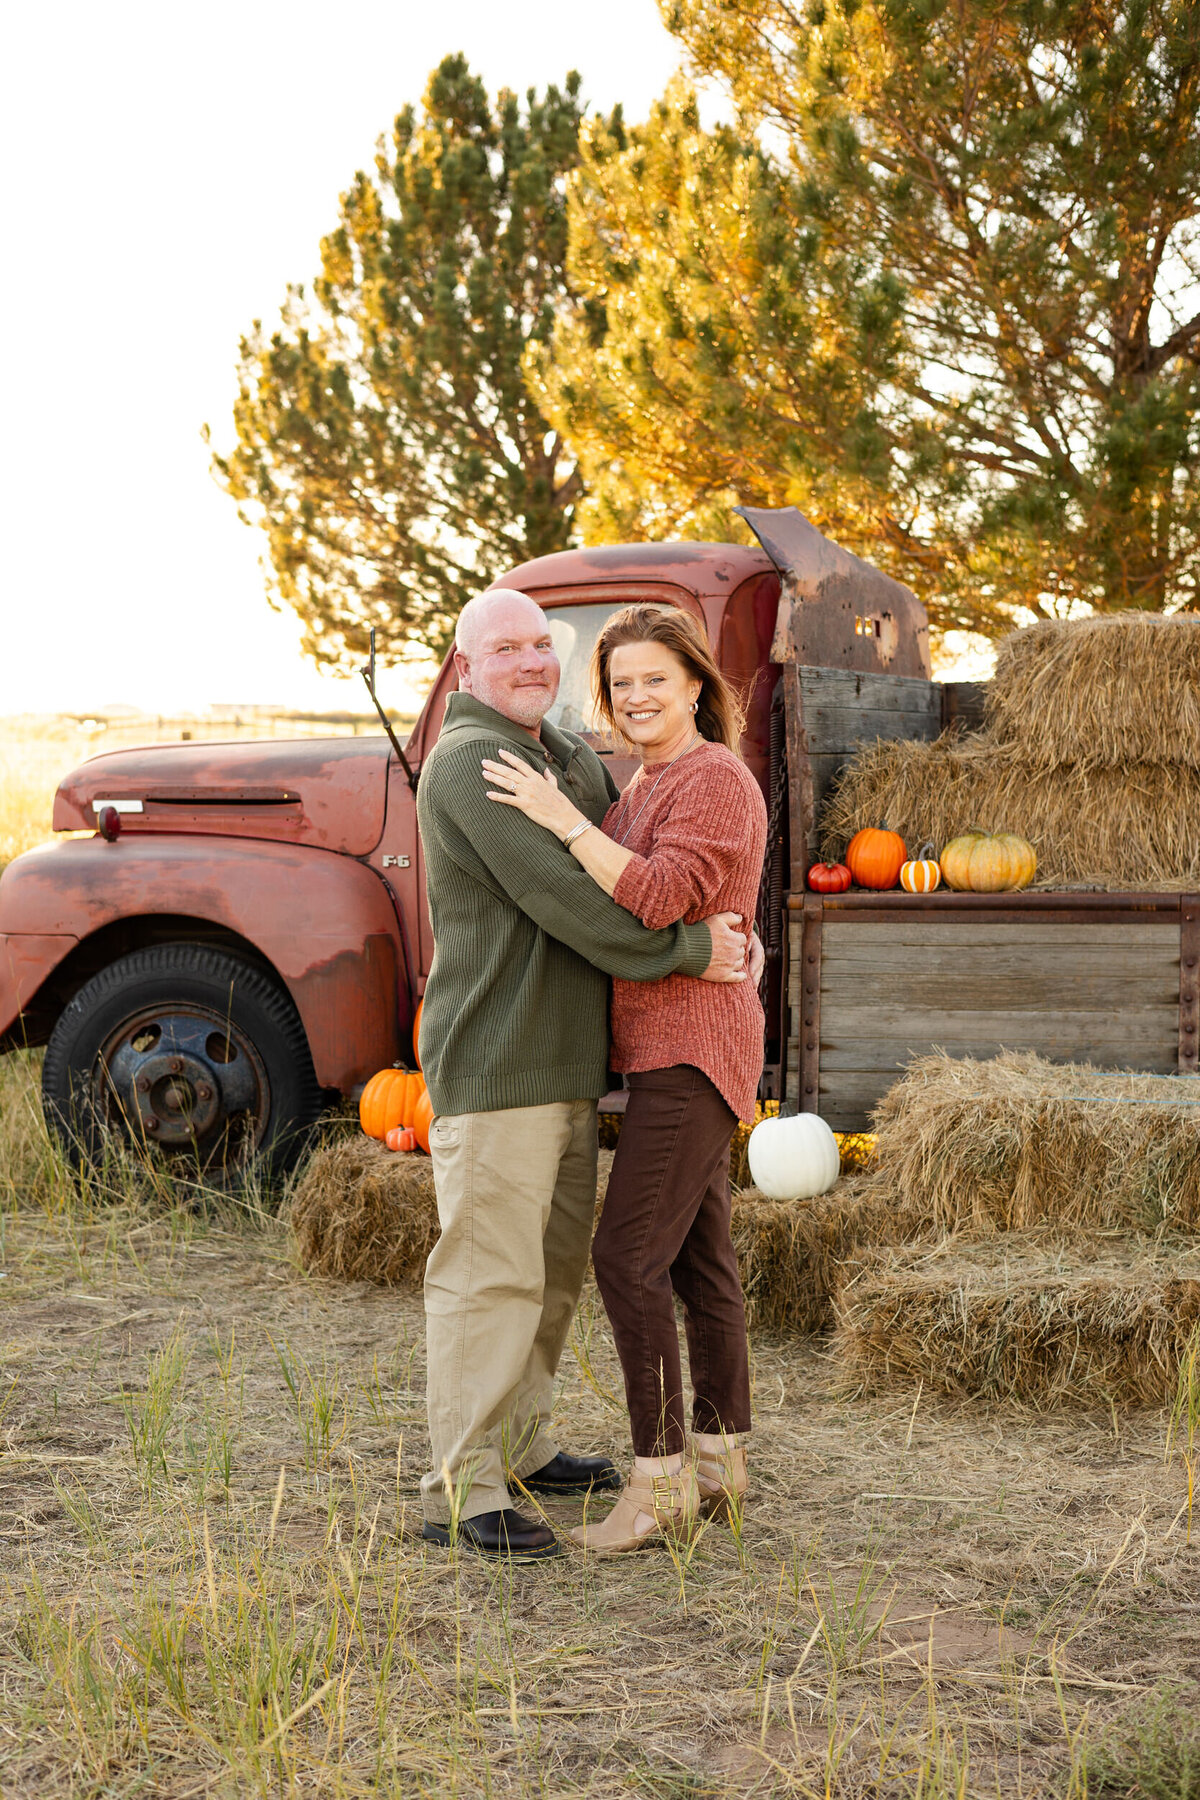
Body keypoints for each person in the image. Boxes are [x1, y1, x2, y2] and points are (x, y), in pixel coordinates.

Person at [415, 588, 751, 1562]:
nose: (528, 661)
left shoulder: (561, 757)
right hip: (500, 1062)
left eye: (539, 644)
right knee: (490, 1279)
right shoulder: (471, 762)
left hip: (571, 1063)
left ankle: (525, 1442)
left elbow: (635, 863)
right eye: (504, 649)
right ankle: (464, 1488)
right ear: (466, 665)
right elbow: (573, 898)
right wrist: (693, 951)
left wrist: (724, 930)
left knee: (553, 1274)